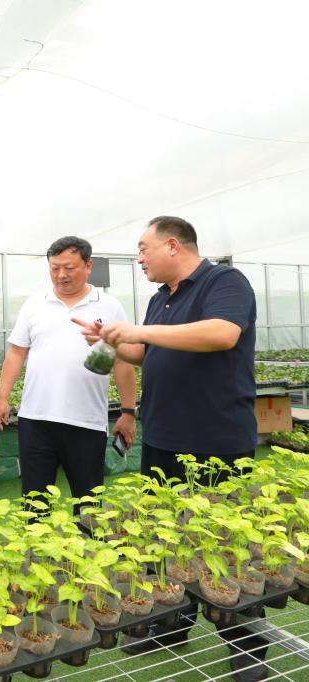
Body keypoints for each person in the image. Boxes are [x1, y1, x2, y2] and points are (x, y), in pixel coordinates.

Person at [77, 217, 259, 675]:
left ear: (173, 245)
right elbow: (146, 353)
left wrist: (140, 331)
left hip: (215, 441)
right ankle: (173, 624)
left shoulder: (224, 281)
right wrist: (114, 340)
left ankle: (246, 646)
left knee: (226, 545)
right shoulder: (162, 298)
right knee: (165, 538)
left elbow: (222, 333)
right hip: (163, 439)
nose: (139, 258)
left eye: (144, 248)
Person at [0, 236, 137, 505]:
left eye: (69, 268)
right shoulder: (34, 304)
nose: (61, 275)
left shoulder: (109, 306)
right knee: (35, 502)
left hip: (86, 421)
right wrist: (2, 398)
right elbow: (16, 353)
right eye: (54, 268)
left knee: (88, 502)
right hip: (36, 420)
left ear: (88, 266)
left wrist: (128, 412)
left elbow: (122, 361)